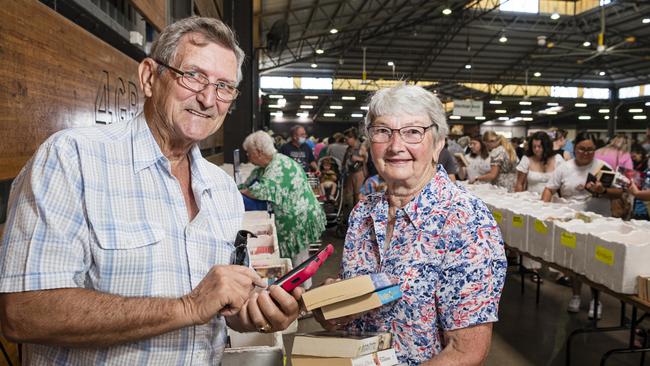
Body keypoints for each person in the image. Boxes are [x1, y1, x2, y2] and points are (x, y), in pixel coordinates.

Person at [0, 17, 302, 364]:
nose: (207, 98)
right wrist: (188, 306)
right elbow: (23, 312)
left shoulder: (222, 189)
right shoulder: (73, 159)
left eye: (223, 86)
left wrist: (254, 313)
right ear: (148, 77)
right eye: (193, 76)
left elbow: (224, 306)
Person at [315, 85, 507, 365]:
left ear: (438, 143)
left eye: (413, 132)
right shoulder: (363, 212)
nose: (395, 146)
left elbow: (465, 352)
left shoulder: (465, 220)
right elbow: (348, 318)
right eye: (382, 131)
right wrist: (333, 304)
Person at [542, 133, 622, 319]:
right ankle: (576, 295)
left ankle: (596, 299)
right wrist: (542, 210)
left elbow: (618, 192)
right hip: (572, 222)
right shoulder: (564, 168)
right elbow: (549, 188)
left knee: (597, 262)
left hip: (599, 222)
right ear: (574, 149)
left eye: (590, 149)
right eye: (582, 149)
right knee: (574, 260)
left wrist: (603, 190)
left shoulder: (603, 167)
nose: (586, 153)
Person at [240, 131, 326, 286]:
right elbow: (251, 181)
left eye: (249, 153)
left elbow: (262, 191)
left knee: (299, 260)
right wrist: (240, 188)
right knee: (296, 259)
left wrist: (242, 192)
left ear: (258, 152)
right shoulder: (266, 166)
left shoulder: (279, 165)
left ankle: (304, 295)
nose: (247, 156)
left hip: (300, 219)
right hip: (294, 218)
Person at [514, 131, 565, 281]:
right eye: (534, 146)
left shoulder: (558, 159)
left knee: (553, 236)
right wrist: (517, 201)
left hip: (553, 202)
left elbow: (563, 183)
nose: (537, 149)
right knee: (533, 235)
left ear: (546, 146)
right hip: (531, 203)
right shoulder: (526, 159)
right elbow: (519, 183)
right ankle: (533, 268)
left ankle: (558, 268)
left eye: (540, 147)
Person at [342, 128, 368, 207]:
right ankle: (349, 215)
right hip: (350, 172)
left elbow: (368, 160)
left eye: (348, 139)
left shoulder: (362, 147)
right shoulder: (349, 148)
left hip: (359, 172)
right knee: (348, 195)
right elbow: (345, 160)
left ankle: (358, 215)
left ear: (353, 138)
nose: (346, 141)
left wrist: (358, 158)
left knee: (358, 195)